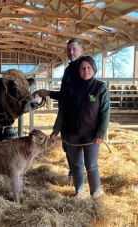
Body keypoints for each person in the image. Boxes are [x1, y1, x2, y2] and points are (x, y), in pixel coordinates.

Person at [50, 55, 110, 198]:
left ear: (94, 69)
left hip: (91, 134)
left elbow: (105, 113)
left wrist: (100, 134)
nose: (86, 71)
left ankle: (95, 193)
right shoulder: (71, 88)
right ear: (78, 71)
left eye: (89, 67)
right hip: (72, 133)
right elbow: (62, 111)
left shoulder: (100, 88)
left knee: (91, 165)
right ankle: (79, 191)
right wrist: (55, 130)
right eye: (82, 68)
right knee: (76, 164)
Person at [35, 38, 84, 179]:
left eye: (74, 49)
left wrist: (49, 93)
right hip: (66, 114)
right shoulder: (69, 69)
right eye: (69, 49)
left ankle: (78, 176)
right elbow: (65, 94)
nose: (71, 52)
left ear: (82, 50)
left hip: (78, 116)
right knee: (67, 146)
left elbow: (71, 94)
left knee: (76, 148)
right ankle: (73, 174)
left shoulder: (83, 68)